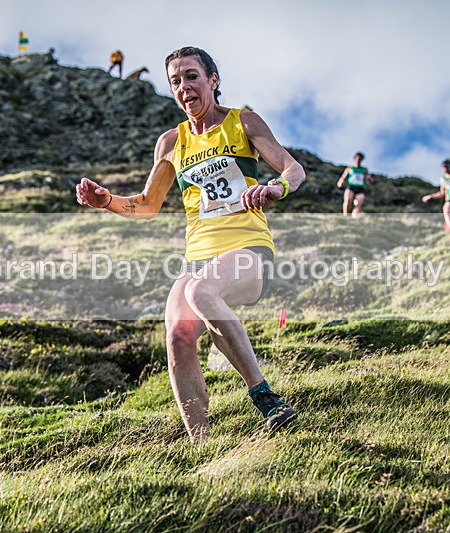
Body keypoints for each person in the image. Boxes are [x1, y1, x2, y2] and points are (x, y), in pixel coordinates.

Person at [76, 46, 305, 441]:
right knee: (178, 334)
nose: (184, 87)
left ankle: (265, 398)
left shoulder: (242, 122)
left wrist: (275, 188)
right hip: (199, 257)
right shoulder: (170, 142)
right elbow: (147, 206)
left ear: (213, 80)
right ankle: (201, 445)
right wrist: (107, 201)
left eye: (192, 76)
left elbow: (292, 167)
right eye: (175, 81)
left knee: (201, 291)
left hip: (249, 249)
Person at [336, 152, 371, 217]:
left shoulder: (364, 170)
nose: (358, 160)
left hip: (360, 188)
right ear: (354, 159)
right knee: (348, 200)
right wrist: (340, 182)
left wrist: (367, 179)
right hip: (351, 187)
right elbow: (343, 177)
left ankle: (354, 217)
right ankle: (345, 216)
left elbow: (368, 182)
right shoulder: (349, 168)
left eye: (360, 159)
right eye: (357, 158)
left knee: (359, 203)